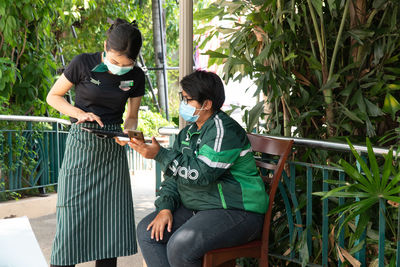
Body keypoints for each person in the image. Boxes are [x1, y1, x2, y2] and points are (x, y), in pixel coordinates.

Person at [129, 70, 268, 267]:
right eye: (182, 98)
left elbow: (202, 174)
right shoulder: (188, 133)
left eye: (187, 99)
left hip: (238, 211)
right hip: (201, 207)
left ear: (207, 104)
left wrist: (160, 154)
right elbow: (173, 177)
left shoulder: (223, 131)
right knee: (148, 232)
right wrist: (165, 207)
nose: (183, 104)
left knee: (179, 245)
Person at [46, 18, 145, 267]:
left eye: (126, 64)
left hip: (113, 151)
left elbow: (131, 117)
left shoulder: (136, 77)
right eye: (113, 62)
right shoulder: (83, 63)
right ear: (105, 47)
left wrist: (128, 134)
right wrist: (79, 113)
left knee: (109, 225)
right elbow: (53, 97)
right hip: (82, 144)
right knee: (71, 219)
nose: (118, 68)